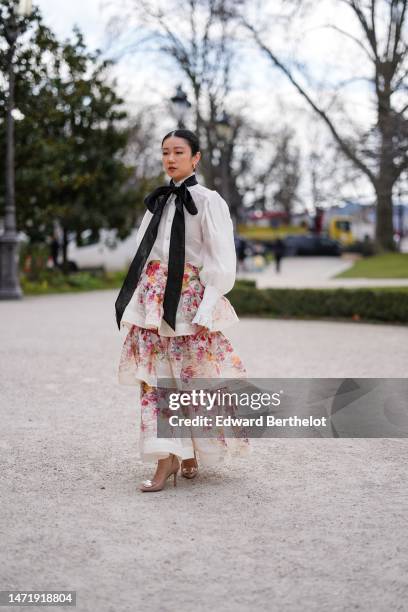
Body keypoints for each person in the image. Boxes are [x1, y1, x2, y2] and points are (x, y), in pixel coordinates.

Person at [115, 129, 250, 493]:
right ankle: (166, 457)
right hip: (153, 304)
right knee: (156, 380)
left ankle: (188, 452)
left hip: (188, 300)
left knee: (191, 380)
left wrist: (207, 308)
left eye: (178, 152)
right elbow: (144, 254)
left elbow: (221, 261)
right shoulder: (156, 201)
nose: (170, 159)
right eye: (165, 152)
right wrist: (138, 299)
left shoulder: (209, 201)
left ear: (196, 157)